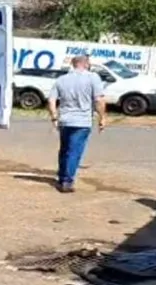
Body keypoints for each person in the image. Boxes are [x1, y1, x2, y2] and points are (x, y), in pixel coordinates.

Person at [47, 54, 107, 193]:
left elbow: (51, 101)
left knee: (65, 149)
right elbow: (98, 99)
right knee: (75, 151)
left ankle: (62, 176)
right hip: (82, 121)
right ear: (85, 64)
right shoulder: (93, 78)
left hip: (65, 120)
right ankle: (67, 181)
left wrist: (54, 118)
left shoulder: (61, 80)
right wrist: (102, 117)